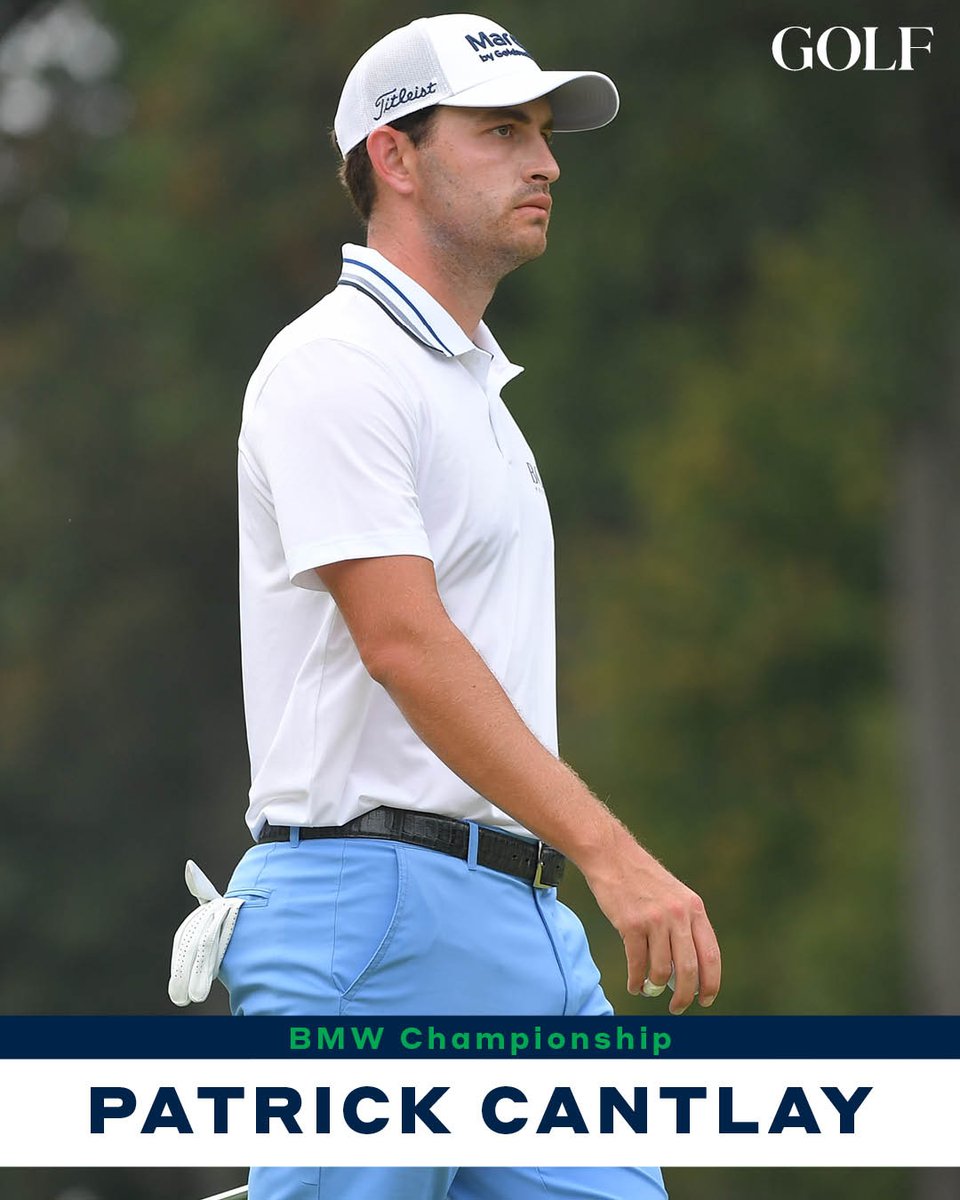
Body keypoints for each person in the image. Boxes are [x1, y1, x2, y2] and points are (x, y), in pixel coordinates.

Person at [217, 12, 721, 1199]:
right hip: (369, 914)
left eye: (543, 135)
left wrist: (568, 866)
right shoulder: (335, 364)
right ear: (394, 159)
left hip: (521, 921)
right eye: (502, 133)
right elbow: (403, 644)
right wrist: (614, 852)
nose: (545, 162)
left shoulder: (469, 387)